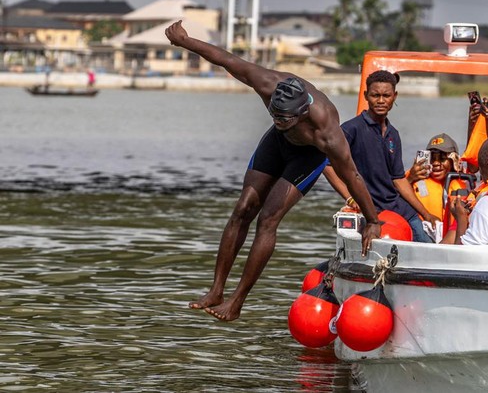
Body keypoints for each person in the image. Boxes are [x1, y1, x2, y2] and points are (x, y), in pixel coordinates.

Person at [164, 20, 381, 321]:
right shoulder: (269, 83)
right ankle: (216, 290)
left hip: (308, 156)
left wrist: (372, 219)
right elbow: (227, 58)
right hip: (279, 144)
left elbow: (352, 176)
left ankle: (237, 301)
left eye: (284, 118)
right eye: (274, 115)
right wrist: (185, 41)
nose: (277, 119)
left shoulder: (326, 133)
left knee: (267, 219)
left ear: (302, 111)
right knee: (243, 208)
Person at [324, 70, 440, 243]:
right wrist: (350, 198)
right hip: (371, 211)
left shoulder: (394, 134)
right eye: (375, 95)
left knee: (428, 246)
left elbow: (398, 179)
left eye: (386, 95)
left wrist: (426, 214)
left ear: (394, 96)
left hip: (399, 208)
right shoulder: (351, 129)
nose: (380, 100)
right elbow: (326, 165)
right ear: (366, 96)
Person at [405, 133, 466, 242]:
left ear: (453, 161)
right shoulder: (414, 177)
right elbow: (393, 199)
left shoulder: (461, 183)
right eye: (432, 159)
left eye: (442, 159)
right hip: (420, 234)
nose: (436, 163)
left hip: (450, 237)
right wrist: (410, 179)